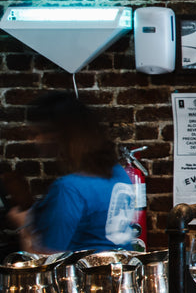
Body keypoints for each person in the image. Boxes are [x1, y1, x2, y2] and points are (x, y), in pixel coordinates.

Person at [8, 92, 139, 253]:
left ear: (60, 135)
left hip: (83, 275)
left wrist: (23, 227)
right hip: (118, 271)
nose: (34, 140)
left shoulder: (69, 188)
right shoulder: (119, 174)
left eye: (38, 133)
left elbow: (47, 261)